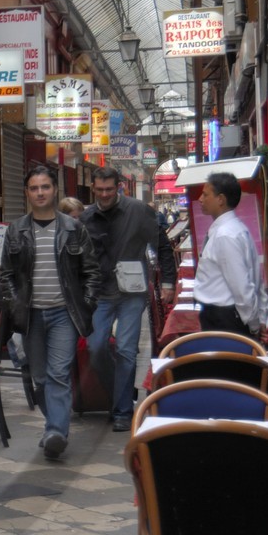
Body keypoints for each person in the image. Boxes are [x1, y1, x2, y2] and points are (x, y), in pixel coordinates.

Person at [0, 165, 101, 460]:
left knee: (58, 374)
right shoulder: (16, 230)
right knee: (41, 378)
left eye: (45, 187)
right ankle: (52, 426)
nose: (40, 192)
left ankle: (57, 431)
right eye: (34, 188)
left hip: (63, 315)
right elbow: (6, 274)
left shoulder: (73, 228)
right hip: (30, 316)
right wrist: (13, 302)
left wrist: (87, 303)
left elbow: (91, 272)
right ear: (27, 193)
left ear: (55, 190)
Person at [81, 167, 161, 432]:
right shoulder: (85, 218)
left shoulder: (138, 211)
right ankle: (120, 394)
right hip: (101, 294)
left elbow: (160, 244)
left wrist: (168, 281)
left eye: (109, 189)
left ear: (119, 188)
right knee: (96, 348)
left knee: (127, 349)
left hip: (131, 293)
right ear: (93, 188)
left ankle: (122, 411)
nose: (104, 194)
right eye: (100, 190)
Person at [195, 172, 268, 338]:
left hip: (226, 321)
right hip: (224, 318)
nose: (200, 199)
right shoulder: (234, 230)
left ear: (220, 199)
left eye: (205, 194)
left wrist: (254, 324)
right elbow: (255, 279)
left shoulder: (225, 235)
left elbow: (242, 287)